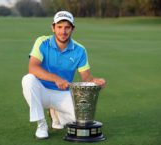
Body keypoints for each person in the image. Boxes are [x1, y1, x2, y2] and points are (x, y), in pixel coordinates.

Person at [21, 11, 106, 139]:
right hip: (41, 91)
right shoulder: (42, 42)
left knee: (80, 120)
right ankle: (41, 124)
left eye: (67, 27)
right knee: (28, 80)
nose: (63, 31)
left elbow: (86, 77)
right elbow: (33, 68)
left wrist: (95, 81)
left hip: (63, 93)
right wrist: (56, 78)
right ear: (53, 27)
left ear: (73, 29)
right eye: (59, 27)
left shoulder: (80, 49)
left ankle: (56, 114)